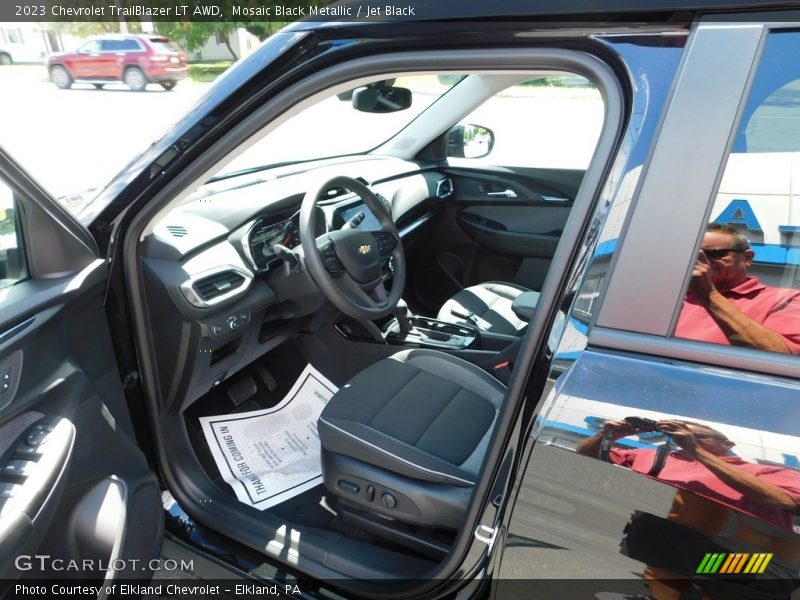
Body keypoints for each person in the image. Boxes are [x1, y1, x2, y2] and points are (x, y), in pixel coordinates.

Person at [577, 419, 800, 600]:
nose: (680, 439)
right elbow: (588, 453)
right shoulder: (659, 457)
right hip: (680, 548)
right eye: (674, 435)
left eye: (692, 435)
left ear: (727, 444)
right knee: (651, 535)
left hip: (745, 559)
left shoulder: (760, 471)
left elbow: (786, 502)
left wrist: (695, 449)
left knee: (721, 577)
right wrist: (609, 435)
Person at [675, 223, 800, 354]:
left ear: (747, 258)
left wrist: (709, 294)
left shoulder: (786, 300)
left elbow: (780, 355)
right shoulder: (676, 297)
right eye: (694, 253)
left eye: (713, 253)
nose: (701, 260)